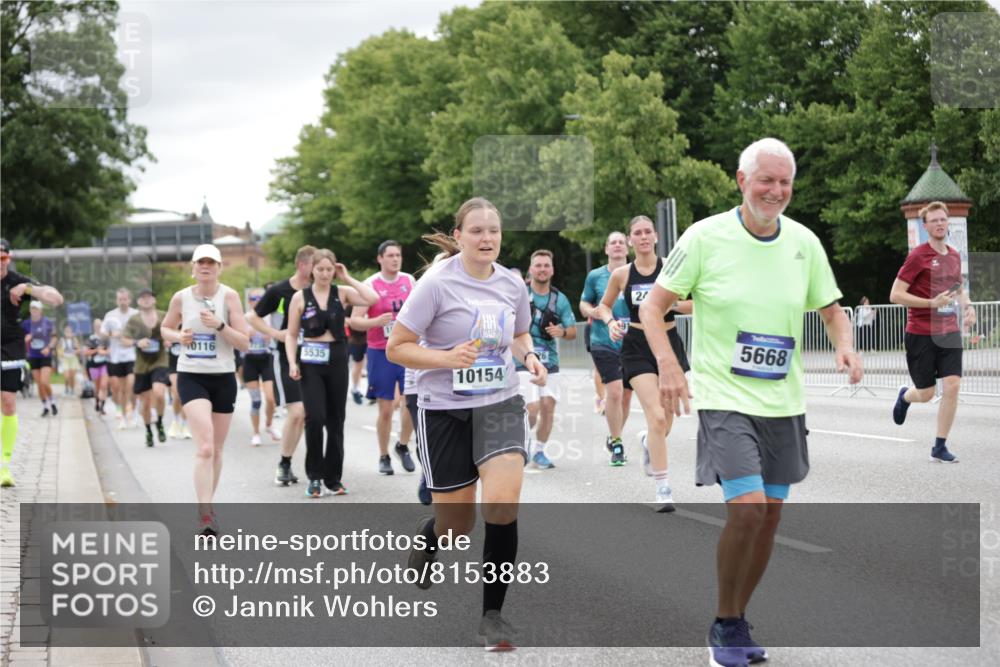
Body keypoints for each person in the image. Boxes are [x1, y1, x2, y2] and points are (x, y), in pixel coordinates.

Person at [643, 138, 862, 667]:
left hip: (783, 402)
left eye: (785, 181)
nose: (776, 191)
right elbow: (654, 307)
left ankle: (738, 619)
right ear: (741, 181)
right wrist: (670, 366)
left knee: (770, 518)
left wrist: (846, 347)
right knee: (748, 510)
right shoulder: (704, 238)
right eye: (766, 180)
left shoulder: (804, 243)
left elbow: (832, 310)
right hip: (724, 397)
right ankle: (723, 621)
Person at [387, 197, 547, 652]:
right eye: (476, 230)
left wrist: (530, 356)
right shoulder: (436, 285)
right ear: (458, 237)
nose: (486, 238)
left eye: (493, 231)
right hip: (443, 410)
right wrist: (445, 358)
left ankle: (492, 616)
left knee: (502, 502)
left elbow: (518, 334)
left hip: (499, 403)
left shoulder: (512, 283)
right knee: (458, 524)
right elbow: (398, 346)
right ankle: (432, 534)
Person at [594, 216, 692, 507]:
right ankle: (663, 488)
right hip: (636, 346)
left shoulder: (673, 269)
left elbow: (697, 301)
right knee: (657, 416)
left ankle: (650, 443)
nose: (644, 236)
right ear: (630, 240)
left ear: (656, 237)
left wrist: (666, 303)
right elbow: (603, 306)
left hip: (669, 342)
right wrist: (610, 321)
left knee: (667, 418)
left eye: (648, 231)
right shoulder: (622, 274)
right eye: (637, 233)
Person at [161, 244, 250, 536]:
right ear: (193, 267)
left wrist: (221, 325)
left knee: (219, 449)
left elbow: (244, 342)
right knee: (205, 447)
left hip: (223, 376)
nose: (205, 267)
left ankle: (207, 506)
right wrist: (178, 336)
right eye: (201, 262)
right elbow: (165, 329)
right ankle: (205, 514)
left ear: (219, 268)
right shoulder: (181, 297)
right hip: (191, 375)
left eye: (211, 263)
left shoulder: (230, 296)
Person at [286, 249, 377, 497]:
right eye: (320, 269)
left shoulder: (343, 293)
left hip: (337, 357)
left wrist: (347, 278)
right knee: (314, 417)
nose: (325, 274)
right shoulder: (300, 297)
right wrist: (292, 362)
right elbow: (291, 334)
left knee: (336, 421)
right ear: (312, 270)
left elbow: (371, 298)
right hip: (310, 361)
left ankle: (333, 478)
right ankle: (314, 476)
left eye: (329, 269)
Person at [889, 201, 974, 463]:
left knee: (952, 385)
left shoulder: (954, 255)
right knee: (925, 394)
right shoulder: (918, 256)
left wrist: (968, 307)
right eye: (934, 220)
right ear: (925, 226)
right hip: (921, 332)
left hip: (948, 331)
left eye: (943, 220)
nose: (939, 224)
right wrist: (930, 303)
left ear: (947, 223)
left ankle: (939, 446)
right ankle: (906, 395)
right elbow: (895, 295)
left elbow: (958, 287)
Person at [248, 245, 316, 486]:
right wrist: (275, 334)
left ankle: (287, 462)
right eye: (313, 265)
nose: (317, 270)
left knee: (304, 416)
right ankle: (284, 464)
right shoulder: (280, 290)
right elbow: (252, 317)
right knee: (296, 412)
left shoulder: (318, 290)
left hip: (314, 357)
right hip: (285, 356)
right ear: (301, 265)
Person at [348, 240, 417, 475]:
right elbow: (354, 320)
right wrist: (374, 322)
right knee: (386, 409)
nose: (395, 259)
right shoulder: (370, 284)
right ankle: (383, 455)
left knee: (410, 402)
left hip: (407, 349)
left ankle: (403, 445)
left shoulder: (409, 281)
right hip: (380, 351)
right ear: (380, 258)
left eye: (398, 255)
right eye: (390, 255)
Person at [1, 238, 64, 487]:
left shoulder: (17, 280)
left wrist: (27, 288)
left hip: (9, 346)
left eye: (2, 258)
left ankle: (4, 465)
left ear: (9, 258)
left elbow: (55, 298)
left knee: (7, 401)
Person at [516, 249, 576, 469]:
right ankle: (522, 441)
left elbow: (572, 331)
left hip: (549, 360)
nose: (542, 269)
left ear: (552, 270)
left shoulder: (559, 299)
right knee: (531, 408)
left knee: (548, 407)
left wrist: (562, 332)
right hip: (521, 360)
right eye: (538, 265)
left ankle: (539, 451)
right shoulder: (520, 294)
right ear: (531, 269)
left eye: (546, 266)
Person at [580, 231, 634, 459]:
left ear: (628, 247)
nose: (618, 246)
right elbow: (584, 303)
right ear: (606, 249)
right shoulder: (595, 276)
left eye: (621, 242)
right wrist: (594, 312)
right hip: (603, 340)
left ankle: (614, 436)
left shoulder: (638, 273)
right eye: (613, 242)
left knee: (626, 397)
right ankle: (618, 444)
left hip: (633, 342)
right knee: (614, 391)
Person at [122, 288, 170, 447]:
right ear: (138, 302)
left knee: (159, 393)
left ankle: (160, 422)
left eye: (149, 297)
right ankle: (149, 430)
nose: (146, 300)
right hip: (142, 364)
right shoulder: (134, 320)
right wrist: (137, 342)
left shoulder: (164, 316)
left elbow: (174, 331)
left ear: (154, 300)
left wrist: (170, 339)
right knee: (146, 403)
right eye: (143, 298)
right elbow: (124, 340)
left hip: (160, 360)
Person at [243, 288, 281, 446]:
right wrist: (248, 336)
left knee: (271, 399)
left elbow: (279, 336)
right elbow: (239, 344)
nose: (256, 300)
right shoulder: (244, 318)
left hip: (267, 359)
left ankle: (269, 424)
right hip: (250, 360)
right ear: (249, 301)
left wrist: (270, 335)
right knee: (256, 401)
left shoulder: (269, 318)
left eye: (260, 297)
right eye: (253, 298)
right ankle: (256, 432)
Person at [102, 288, 138, 429]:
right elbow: (103, 333)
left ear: (129, 300)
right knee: (121, 389)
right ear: (117, 300)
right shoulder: (110, 315)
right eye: (120, 299)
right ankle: (123, 417)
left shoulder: (135, 314)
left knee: (132, 385)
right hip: (116, 357)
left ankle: (133, 412)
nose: (123, 302)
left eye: (125, 299)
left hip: (132, 354)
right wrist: (112, 333)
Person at [23, 301, 57, 417]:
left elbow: (54, 338)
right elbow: (20, 338)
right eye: (32, 309)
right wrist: (26, 338)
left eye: (36, 309)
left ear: (41, 310)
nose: (34, 311)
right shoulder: (26, 324)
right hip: (33, 356)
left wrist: (49, 347)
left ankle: (52, 401)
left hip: (45, 356)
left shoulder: (47, 322)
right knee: (39, 384)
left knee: (44, 381)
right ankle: (45, 406)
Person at [84, 318, 110, 415]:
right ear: (94, 327)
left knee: (104, 385)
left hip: (104, 364)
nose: (98, 328)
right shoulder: (91, 339)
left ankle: (102, 407)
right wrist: (97, 350)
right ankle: (97, 402)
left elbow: (110, 350)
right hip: (94, 365)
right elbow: (86, 352)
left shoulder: (105, 338)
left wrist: (103, 352)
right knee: (97, 386)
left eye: (100, 326)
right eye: (96, 326)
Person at [344, 305, 368, 405]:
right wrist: (356, 322)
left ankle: (357, 388)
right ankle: (352, 389)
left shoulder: (370, 301)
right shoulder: (350, 302)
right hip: (352, 339)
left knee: (361, 364)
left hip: (366, 339)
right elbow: (344, 319)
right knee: (354, 365)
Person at [56, 324, 83, 396]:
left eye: (69, 331)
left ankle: (72, 390)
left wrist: (76, 351)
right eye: (67, 331)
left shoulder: (74, 339)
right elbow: (58, 349)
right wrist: (60, 354)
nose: (68, 333)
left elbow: (79, 349)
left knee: (72, 376)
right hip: (65, 359)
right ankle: (66, 388)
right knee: (67, 376)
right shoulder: (62, 340)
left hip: (73, 359)